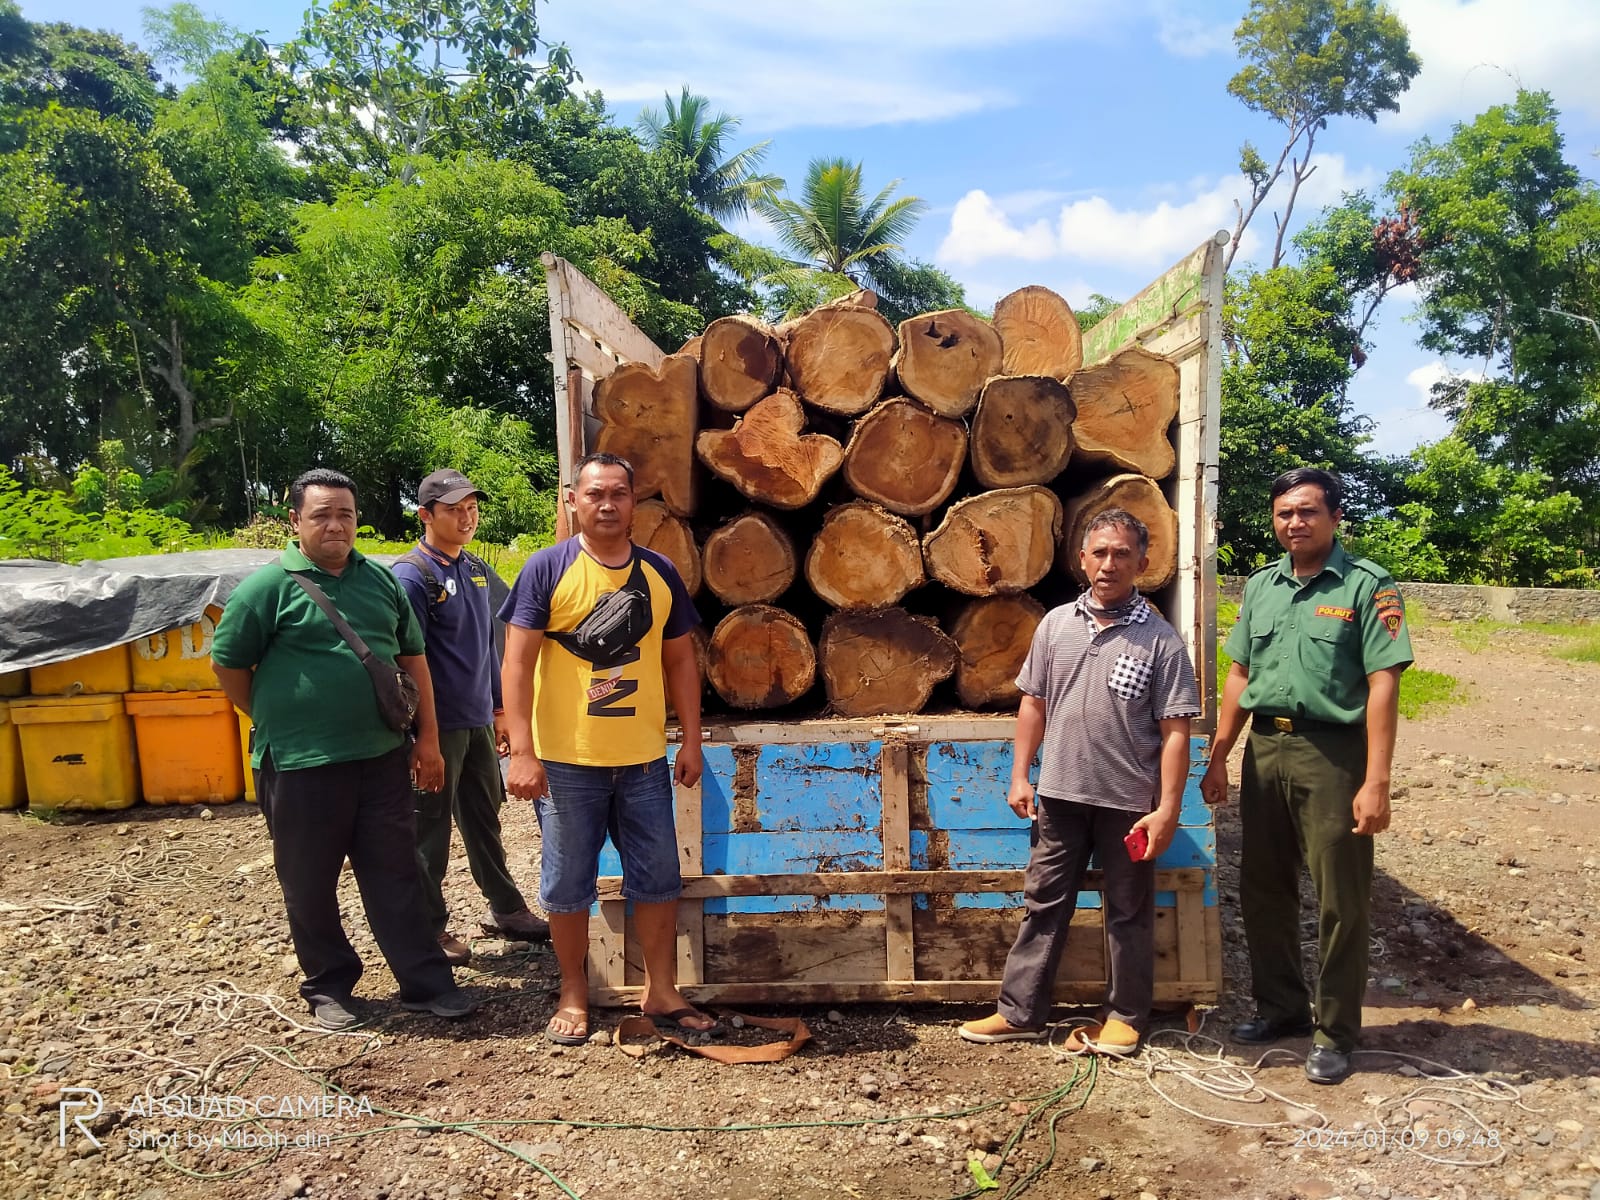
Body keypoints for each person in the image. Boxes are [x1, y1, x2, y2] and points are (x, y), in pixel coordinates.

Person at [212, 468, 476, 1030]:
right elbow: (229, 666)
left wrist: (427, 739)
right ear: (295, 521)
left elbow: (414, 661)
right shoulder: (266, 589)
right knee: (309, 883)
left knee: (396, 873)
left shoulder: (380, 581)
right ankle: (328, 986)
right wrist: (279, 716)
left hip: (381, 759)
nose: (335, 525)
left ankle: (426, 982)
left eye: (345, 515)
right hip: (300, 765)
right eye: (321, 515)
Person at [1201, 467, 1413, 1086]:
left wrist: (1376, 781)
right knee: (1263, 888)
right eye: (1285, 513)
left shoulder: (1368, 586)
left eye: (1308, 511)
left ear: (1335, 517)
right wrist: (1219, 755)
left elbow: (1383, 684)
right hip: (1266, 751)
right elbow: (1240, 674)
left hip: (1333, 755)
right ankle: (1281, 1009)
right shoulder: (1262, 587)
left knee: (1341, 899)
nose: (1295, 522)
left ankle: (1336, 1032)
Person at [960, 509, 1199, 1055]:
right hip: (1058, 796)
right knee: (1043, 903)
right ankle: (1019, 1012)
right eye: (1100, 553)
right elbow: (1033, 703)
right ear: (1083, 559)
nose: (1109, 564)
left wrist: (1166, 809)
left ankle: (1125, 1018)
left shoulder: (1161, 641)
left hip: (1128, 805)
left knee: (1129, 911)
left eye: (1122, 554)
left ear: (1142, 563)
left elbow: (1175, 733)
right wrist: (1020, 775)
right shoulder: (1055, 625)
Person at [499, 452, 711, 1046]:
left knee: (658, 877)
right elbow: (516, 664)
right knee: (567, 883)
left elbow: (680, 660)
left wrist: (691, 740)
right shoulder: (546, 569)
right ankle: (574, 990)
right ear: (573, 501)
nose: (608, 504)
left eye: (619, 493)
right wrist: (522, 751)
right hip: (567, 762)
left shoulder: (659, 572)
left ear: (633, 502)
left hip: (642, 759)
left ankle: (662, 989)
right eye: (595, 494)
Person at [393, 470, 551, 967]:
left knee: (485, 819)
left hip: (477, 720)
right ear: (425, 515)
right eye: (453, 510)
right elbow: (407, 658)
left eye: (471, 508)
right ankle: (426, 929)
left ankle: (506, 908)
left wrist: (499, 710)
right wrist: (424, 735)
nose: (466, 518)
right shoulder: (412, 575)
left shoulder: (475, 569)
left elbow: (489, 645)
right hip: (436, 727)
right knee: (429, 832)